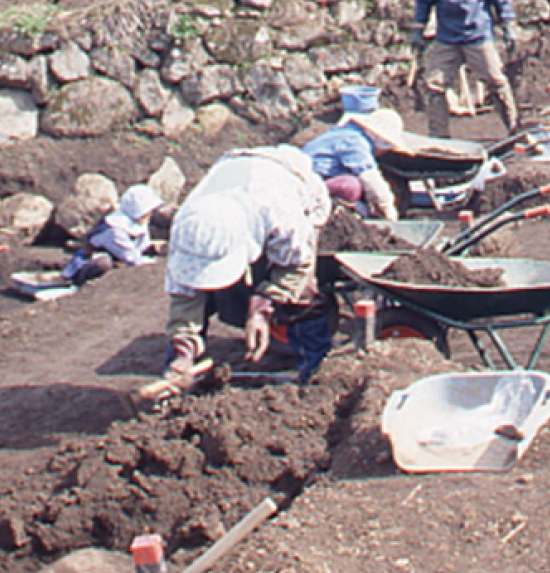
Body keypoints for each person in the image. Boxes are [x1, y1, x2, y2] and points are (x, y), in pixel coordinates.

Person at [135, 146, 334, 405]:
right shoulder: (187, 227)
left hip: (292, 182)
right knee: (199, 300)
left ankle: (313, 375)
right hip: (231, 174)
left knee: (302, 293)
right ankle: (177, 385)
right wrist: (182, 353)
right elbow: (185, 297)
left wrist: (262, 307)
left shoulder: (281, 214)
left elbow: (297, 266)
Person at [412, 0, 520, 137]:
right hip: (447, 37)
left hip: (477, 35)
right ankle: (439, 138)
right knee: (434, 86)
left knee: (496, 81)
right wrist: (418, 30)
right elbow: (423, 0)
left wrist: (508, 24)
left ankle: (514, 127)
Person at [301, 108, 404, 221]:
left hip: (314, 182)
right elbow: (370, 177)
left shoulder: (347, 132)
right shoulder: (354, 141)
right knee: (350, 186)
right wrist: (388, 209)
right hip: (309, 186)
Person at [62, 184, 161, 284]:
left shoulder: (140, 223)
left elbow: (143, 247)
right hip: (87, 264)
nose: (149, 214)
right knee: (103, 263)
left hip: (118, 260)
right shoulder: (115, 231)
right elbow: (132, 258)